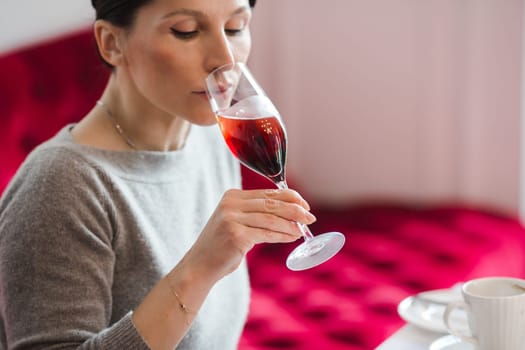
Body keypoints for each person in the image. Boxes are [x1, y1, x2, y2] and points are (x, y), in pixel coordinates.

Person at [0, 0, 317, 349]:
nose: (225, 59)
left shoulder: (214, 136)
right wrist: (199, 270)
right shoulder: (59, 186)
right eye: (186, 31)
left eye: (235, 27)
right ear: (111, 43)